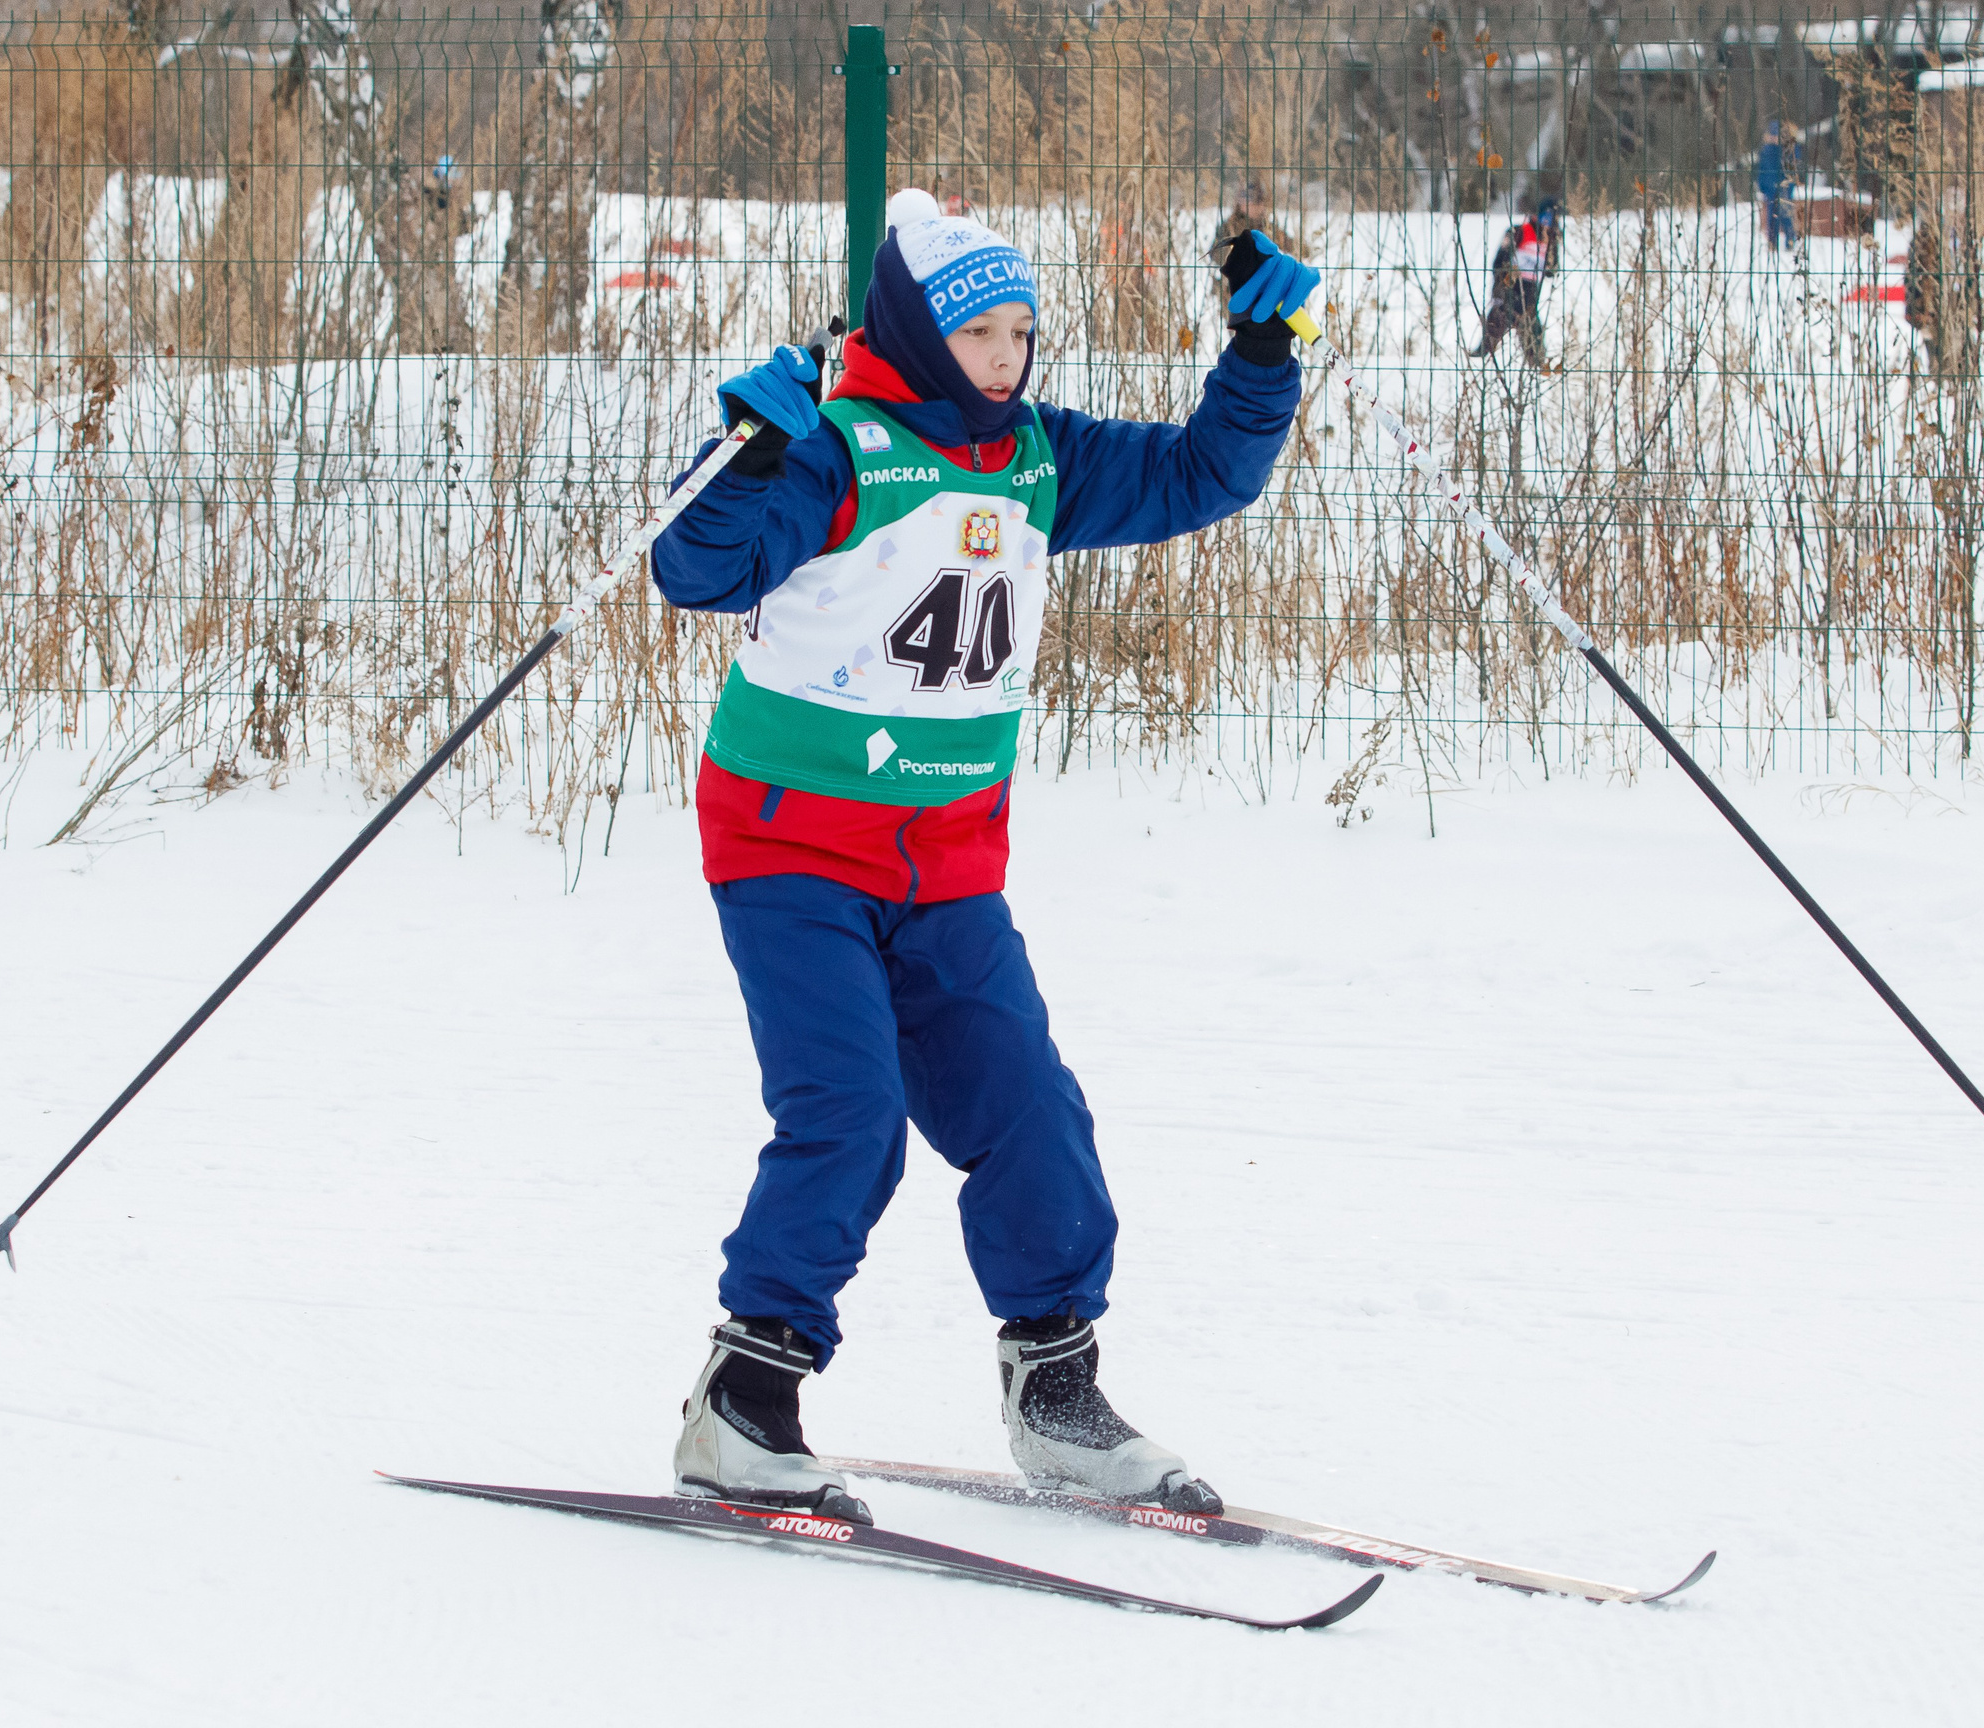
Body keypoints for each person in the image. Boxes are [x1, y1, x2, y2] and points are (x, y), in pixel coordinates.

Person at [650, 187, 1319, 1525]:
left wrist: (1261, 357)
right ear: (916, 332)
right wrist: (747, 461)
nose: (1008, 361)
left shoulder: (1035, 462)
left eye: (1023, 335)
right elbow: (697, 568)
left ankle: (1059, 1397)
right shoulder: (835, 454)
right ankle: (745, 1404)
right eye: (982, 338)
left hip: (948, 858)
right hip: (793, 844)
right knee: (850, 1116)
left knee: (1030, 1114)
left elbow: (1203, 475)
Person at [1467, 197, 1556, 363]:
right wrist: (1500, 288)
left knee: (1533, 331)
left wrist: (1552, 245)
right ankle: (1478, 360)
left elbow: (1552, 270)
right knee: (1496, 322)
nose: (1548, 222)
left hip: (1530, 294)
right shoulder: (1518, 231)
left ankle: (1536, 365)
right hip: (1510, 288)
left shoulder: (1551, 239)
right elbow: (1498, 262)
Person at [1756, 120, 1798, 251]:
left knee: (1786, 214)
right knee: (1771, 217)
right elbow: (1762, 169)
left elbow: (1792, 167)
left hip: (1784, 187)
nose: (1774, 138)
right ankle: (1772, 243)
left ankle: (1790, 241)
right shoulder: (1766, 149)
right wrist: (1762, 184)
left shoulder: (1789, 148)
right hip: (1769, 187)